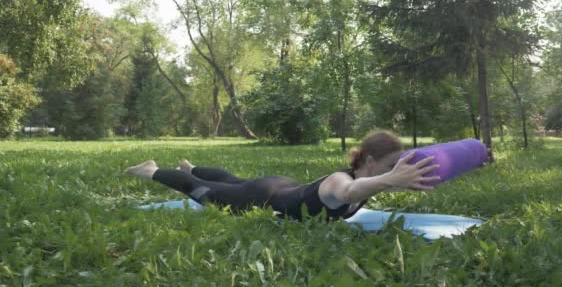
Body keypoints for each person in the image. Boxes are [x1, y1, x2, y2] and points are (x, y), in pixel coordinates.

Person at [125, 130, 440, 221]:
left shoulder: (371, 180)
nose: (393, 173)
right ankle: (151, 169)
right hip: (263, 199)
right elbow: (347, 194)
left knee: (233, 179)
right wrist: (392, 180)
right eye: (389, 167)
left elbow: (384, 181)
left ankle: (190, 166)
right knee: (203, 191)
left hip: (283, 186)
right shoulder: (339, 181)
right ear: (370, 162)